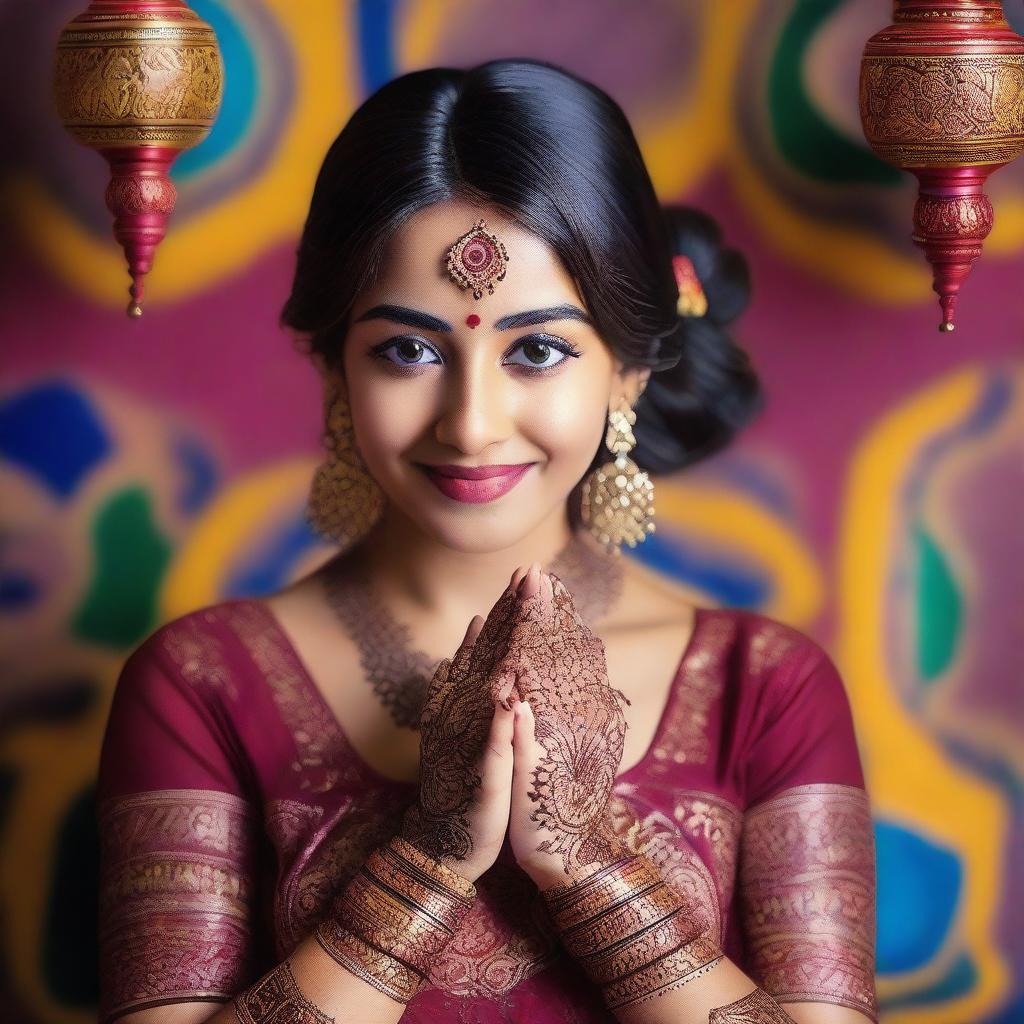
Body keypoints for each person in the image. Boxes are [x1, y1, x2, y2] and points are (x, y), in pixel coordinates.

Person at [95, 59, 879, 1024]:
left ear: (627, 374)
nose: (470, 423)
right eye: (408, 350)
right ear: (335, 367)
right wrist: (426, 863)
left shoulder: (763, 688)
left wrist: (586, 864)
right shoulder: (201, 683)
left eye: (537, 349)